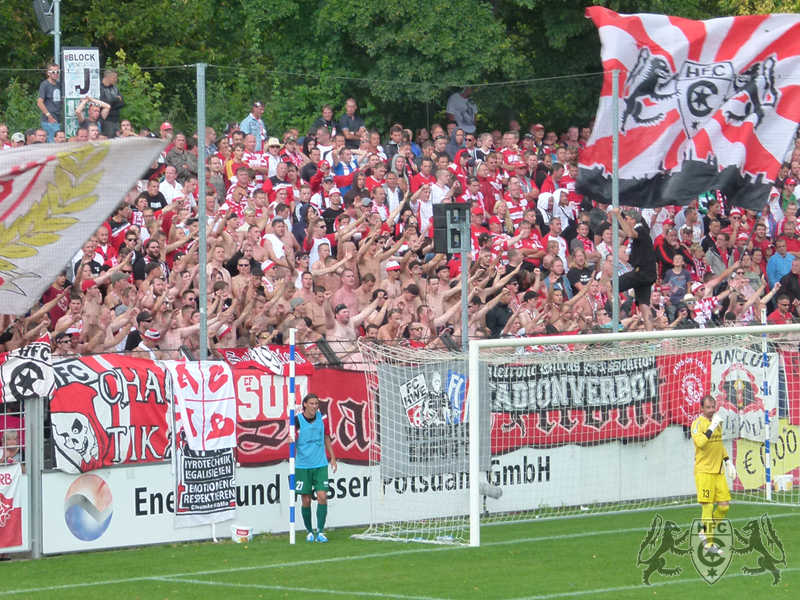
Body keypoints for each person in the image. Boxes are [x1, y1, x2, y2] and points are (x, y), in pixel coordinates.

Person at [691, 395, 735, 556]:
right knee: (708, 506)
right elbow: (701, 443)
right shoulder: (697, 424)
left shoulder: (716, 422)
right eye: (708, 407)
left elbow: (718, 444)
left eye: (713, 407)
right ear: (701, 408)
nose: (711, 410)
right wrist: (712, 426)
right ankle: (709, 544)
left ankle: (704, 531)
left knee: (724, 506)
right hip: (704, 472)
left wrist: (728, 462)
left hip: (718, 471)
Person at [295, 392, 337, 542]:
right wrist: (290, 439)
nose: (314, 406)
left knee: (322, 496)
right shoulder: (297, 420)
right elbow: (290, 438)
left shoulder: (322, 417)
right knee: (306, 500)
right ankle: (308, 531)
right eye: (311, 403)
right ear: (304, 404)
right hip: (303, 466)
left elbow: (326, 436)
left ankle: (320, 531)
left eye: (316, 404)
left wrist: (332, 456)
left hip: (320, 464)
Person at [612, 208, 657, 330]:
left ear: (633, 220)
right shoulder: (639, 233)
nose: (625, 221)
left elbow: (630, 234)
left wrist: (617, 215)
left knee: (612, 285)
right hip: (648, 273)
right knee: (644, 304)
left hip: (641, 271)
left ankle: (614, 321)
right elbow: (625, 234)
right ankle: (651, 336)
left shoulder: (640, 229)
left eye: (626, 219)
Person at [37, 62, 62, 142]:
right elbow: (40, 102)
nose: (56, 74)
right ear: (48, 73)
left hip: (58, 118)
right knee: (53, 144)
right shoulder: (44, 85)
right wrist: (49, 116)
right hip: (49, 120)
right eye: (53, 72)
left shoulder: (59, 85)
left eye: (57, 72)